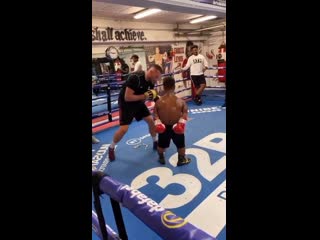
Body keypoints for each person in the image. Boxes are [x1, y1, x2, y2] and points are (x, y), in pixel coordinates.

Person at [108, 64, 163, 161]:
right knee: (124, 129)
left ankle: (155, 141)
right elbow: (127, 97)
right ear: (151, 72)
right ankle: (111, 147)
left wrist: (161, 103)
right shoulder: (135, 78)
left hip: (139, 103)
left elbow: (151, 94)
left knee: (150, 120)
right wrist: (144, 96)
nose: (156, 80)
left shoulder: (150, 81)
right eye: (156, 77)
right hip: (126, 104)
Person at [153, 76, 191, 166]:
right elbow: (185, 114)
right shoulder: (181, 101)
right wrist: (181, 123)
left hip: (164, 127)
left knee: (161, 145)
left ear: (164, 87)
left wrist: (158, 123)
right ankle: (181, 159)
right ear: (174, 86)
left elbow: (155, 114)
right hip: (176, 127)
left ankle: (161, 157)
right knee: (181, 145)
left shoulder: (158, 102)